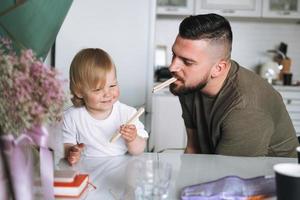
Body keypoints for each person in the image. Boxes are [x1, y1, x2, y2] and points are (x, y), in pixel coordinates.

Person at [168, 13, 298, 157]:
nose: (173, 67)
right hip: (221, 168)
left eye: (187, 62)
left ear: (218, 68)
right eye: (174, 55)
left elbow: (230, 176)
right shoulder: (188, 84)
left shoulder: (245, 107)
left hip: (269, 178)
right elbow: (193, 149)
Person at [62, 48, 148, 165]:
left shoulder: (128, 114)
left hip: (121, 171)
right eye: (98, 89)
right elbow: (66, 145)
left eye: (112, 85)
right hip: (88, 173)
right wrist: (71, 152)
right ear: (79, 92)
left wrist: (132, 139)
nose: (108, 94)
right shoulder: (71, 117)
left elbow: (139, 150)